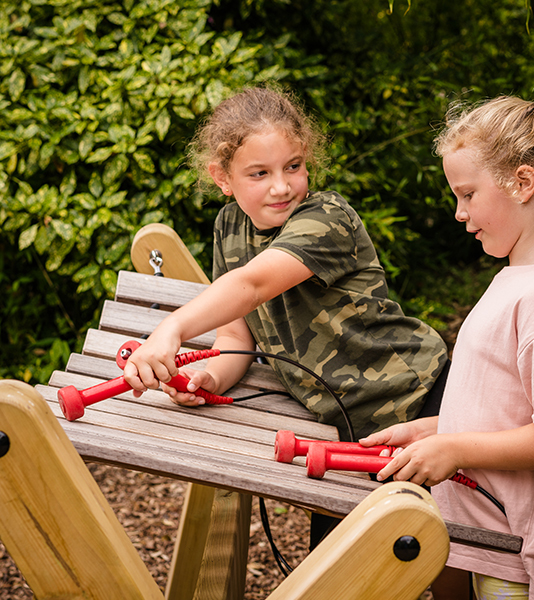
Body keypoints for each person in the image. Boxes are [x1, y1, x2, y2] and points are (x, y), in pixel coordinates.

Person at [361, 96, 534, 600]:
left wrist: (455, 447)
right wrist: (432, 430)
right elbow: (503, 409)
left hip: (518, 556)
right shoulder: (515, 279)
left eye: (467, 193)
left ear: (524, 183)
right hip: (479, 534)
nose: (458, 211)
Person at [123, 86, 448, 444]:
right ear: (222, 178)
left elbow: (252, 286)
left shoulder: (327, 218)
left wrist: (171, 328)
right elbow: (235, 335)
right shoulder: (229, 227)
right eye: (259, 174)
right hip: (355, 427)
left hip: (422, 396)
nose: (281, 187)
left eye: (292, 167)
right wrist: (211, 379)